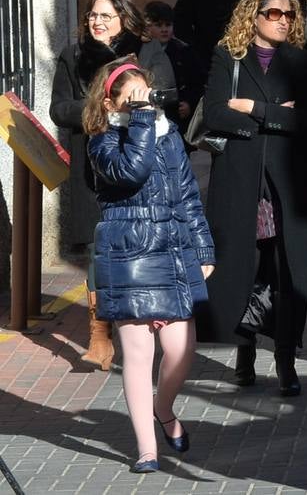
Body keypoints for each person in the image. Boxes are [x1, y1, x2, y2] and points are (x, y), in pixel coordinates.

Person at [83, 58, 214, 474]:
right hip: (128, 252)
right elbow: (130, 172)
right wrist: (140, 121)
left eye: (146, 95)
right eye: (132, 97)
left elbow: (188, 195)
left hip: (172, 247)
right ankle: (146, 450)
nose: (144, 103)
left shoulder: (168, 134)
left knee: (180, 349)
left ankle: (164, 408)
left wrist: (204, 247)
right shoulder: (101, 140)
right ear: (111, 103)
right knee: (138, 354)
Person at [197, 0, 307, 398]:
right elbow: (213, 113)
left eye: (289, 15)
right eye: (274, 14)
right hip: (240, 180)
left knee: (285, 273)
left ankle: (286, 362)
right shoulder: (226, 56)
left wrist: (252, 109)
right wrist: (273, 119)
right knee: (242, 269)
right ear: (254, 15)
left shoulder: (301, 62)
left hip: (286, 185)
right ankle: (244, 354)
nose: (284, 21)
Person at [50, 0, 176, 372]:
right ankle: (99, 336)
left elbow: (165, 96)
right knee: (99, 250)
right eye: (92, 15)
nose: (97, 21)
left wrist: (122, 104)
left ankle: (150, 322)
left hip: (141, 165)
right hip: (95, 167)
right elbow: (59, 108)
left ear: (125, 18)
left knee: (144, 245)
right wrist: (97, 111)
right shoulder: (73, 56)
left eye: (106, 15)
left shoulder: (148, 51)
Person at [143, 0, 204, 136]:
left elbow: (198, 83)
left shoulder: (184, 51)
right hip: (148, 112)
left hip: (176, 114)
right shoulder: (140, 50)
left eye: (168, 25)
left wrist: (189, 103)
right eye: (158, 25)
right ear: (148, 27)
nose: (164, 29)